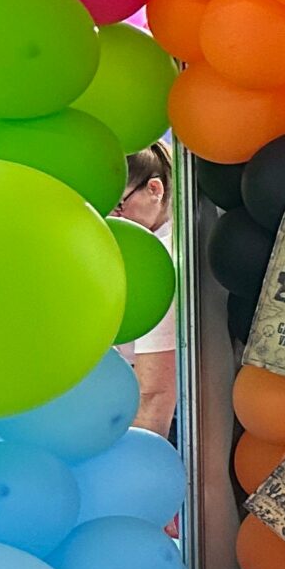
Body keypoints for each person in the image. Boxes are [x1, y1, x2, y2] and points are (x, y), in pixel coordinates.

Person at [111, 142, 178, 437]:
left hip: (150, 427)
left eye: (120, 205)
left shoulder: (164, 258)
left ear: (155, 189)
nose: (112, 219)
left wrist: (136, 457)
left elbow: (155, 392)